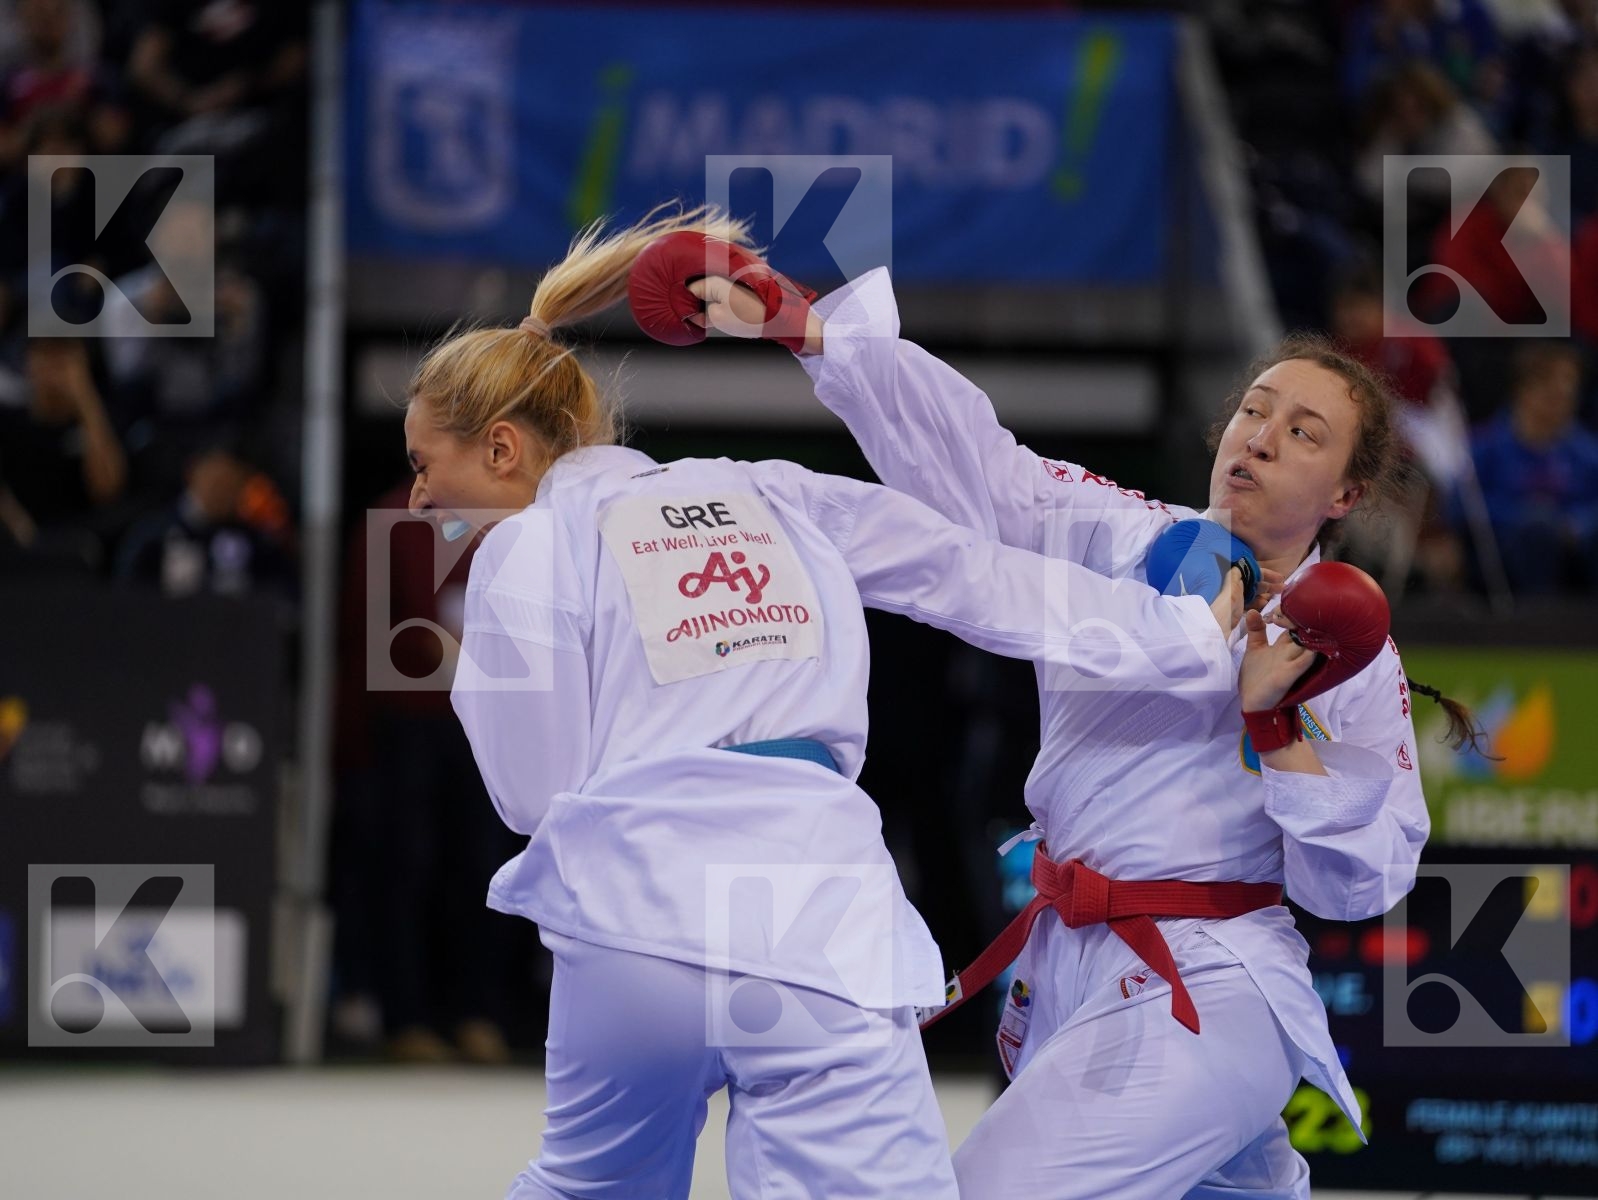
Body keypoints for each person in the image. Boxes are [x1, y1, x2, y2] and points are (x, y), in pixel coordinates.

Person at [402, 206, 1250, 1200]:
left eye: (424, 465)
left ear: (503, 449)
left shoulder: (519, 549)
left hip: (634, 929)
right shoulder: (773, 492)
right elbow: (968, 575)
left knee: (584, 1186)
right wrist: (1182, 633)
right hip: (812, 922)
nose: (417, 499)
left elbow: (531, 798)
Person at [662, 238, 1484, 1198]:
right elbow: (986, 473)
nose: (1259, 437)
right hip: (1069, 969)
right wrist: (816, 333)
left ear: (1346, 493)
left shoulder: (1344, 648)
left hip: (1204, 986)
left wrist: (1277, 725)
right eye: (1254, 411)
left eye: (1303, 433)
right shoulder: (1118, 534)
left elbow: (1362, 882)